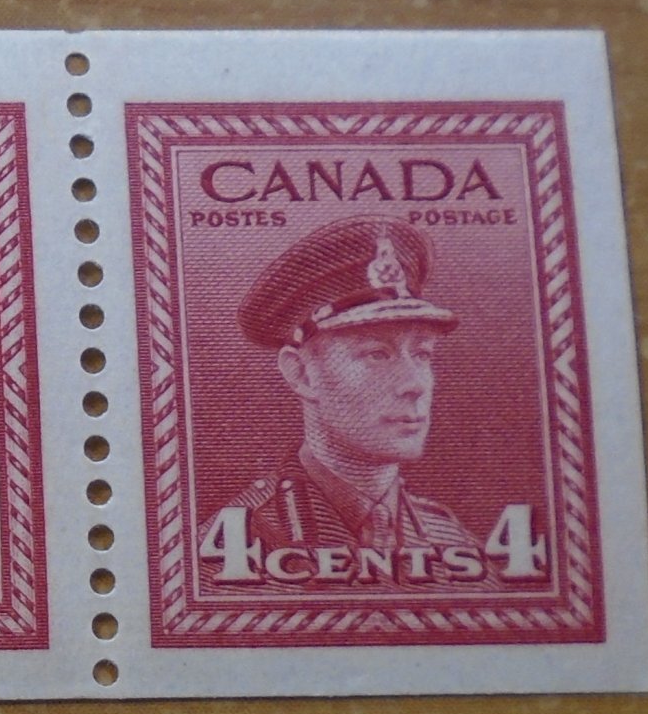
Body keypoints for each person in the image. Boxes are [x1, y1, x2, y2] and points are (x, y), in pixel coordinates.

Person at [203, 218, 473, 571]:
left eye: (422, 354)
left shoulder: (453, 539)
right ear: (301, 373)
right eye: (377, 354)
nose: (414, 384)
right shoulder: (231, 548)